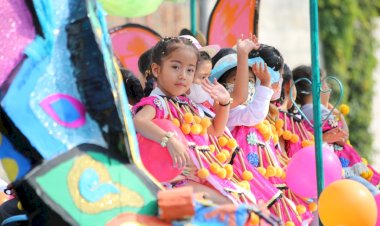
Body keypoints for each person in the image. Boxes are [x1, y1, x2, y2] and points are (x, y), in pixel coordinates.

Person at [133, 37, 254, 205]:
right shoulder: (158, 103)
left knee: (243, 199)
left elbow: (214, 131)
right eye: (175, 67)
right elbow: (139, 121)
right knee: (229, 205)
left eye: (190, 70)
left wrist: (225, 103)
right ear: (156, 69)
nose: (183, 75)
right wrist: (169, 141)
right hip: (174, 182)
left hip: (203, 177)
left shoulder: (187, 105)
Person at [293, 65, 380, 195]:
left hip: (330, 172)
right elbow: (343, 136)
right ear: (318, 88)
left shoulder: (304, 112)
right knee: (372, 195)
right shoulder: (317, 110)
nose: (329, 88)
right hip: (339, 171)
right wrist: (335, 111)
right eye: (326, 83)